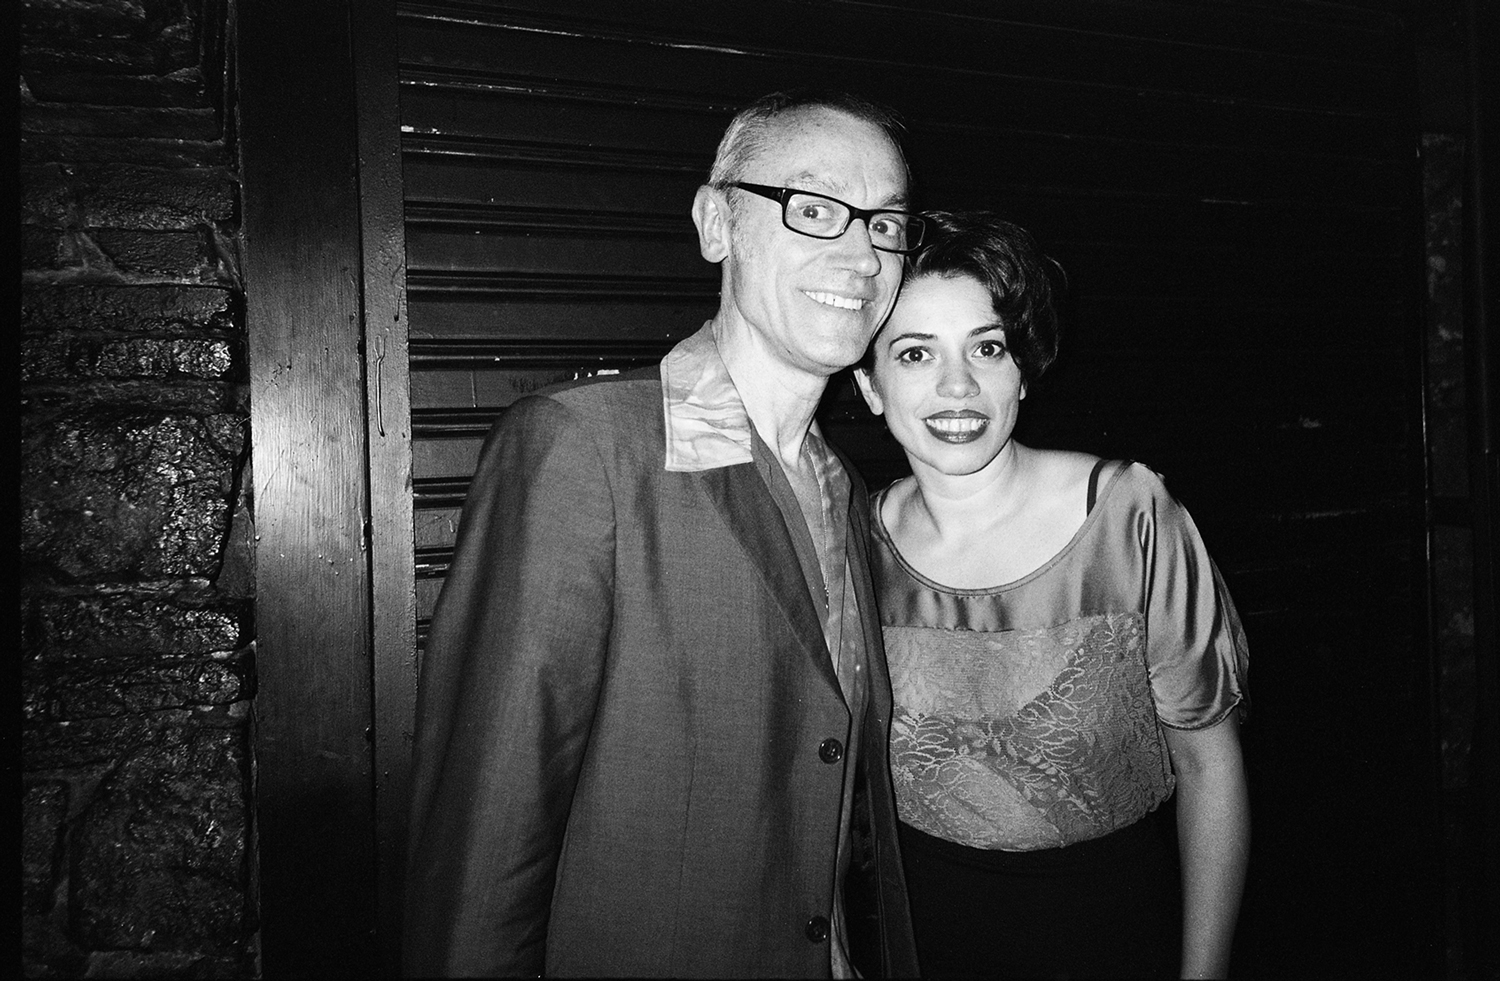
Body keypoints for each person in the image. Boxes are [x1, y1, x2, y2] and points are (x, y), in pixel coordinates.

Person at [402, 90, 927, 978]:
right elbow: (484, 834)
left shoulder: (844, 488)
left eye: (885, 224)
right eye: (813, 208)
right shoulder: (584, 448)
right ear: (716, 223)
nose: (860, 253)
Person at [852, 211, 1251, 979]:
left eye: (987, 347)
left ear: (1024, 371)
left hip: (1113, 935)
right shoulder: (852, 541)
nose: (958, 385)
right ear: (871, 384)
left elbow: (1210, 767)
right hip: (918, 943)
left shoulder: (1127, 515)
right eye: (915, 353)